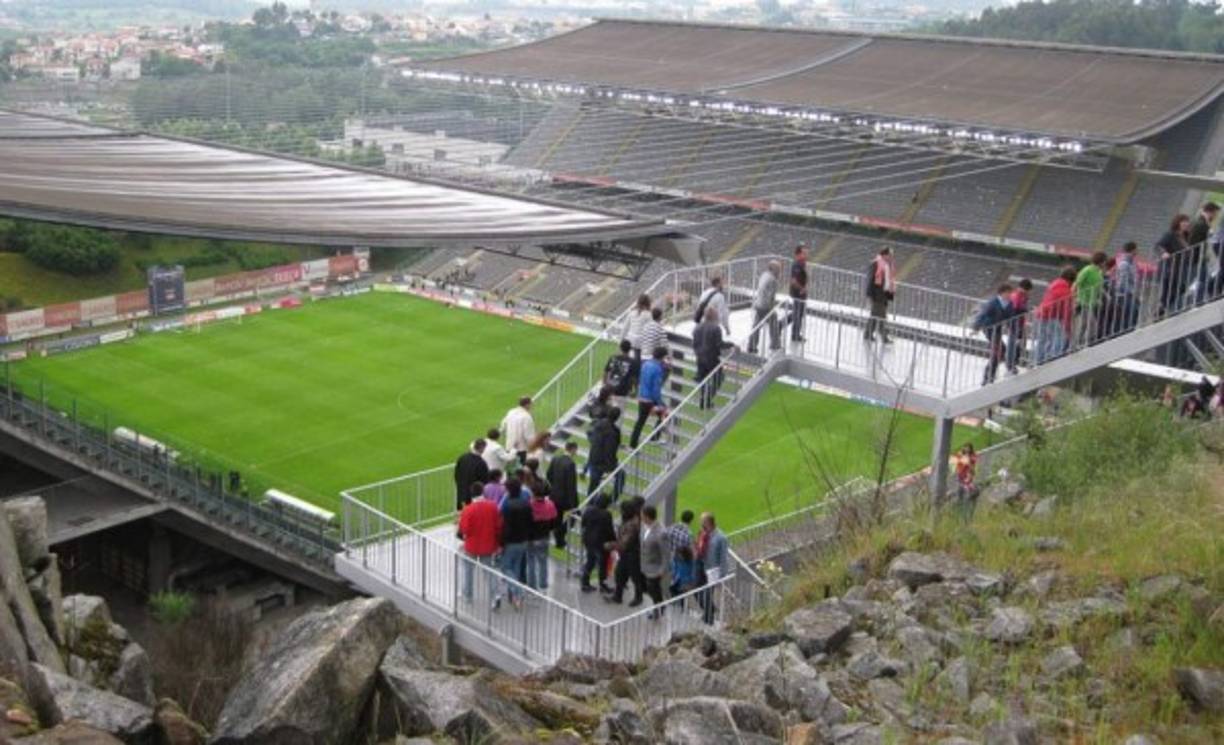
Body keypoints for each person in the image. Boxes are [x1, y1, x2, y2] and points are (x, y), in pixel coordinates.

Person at [458, 483, 502, 605]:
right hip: (488, 545)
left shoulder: (468, 509)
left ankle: (467, 595)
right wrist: (498, 544)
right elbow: (498, 526)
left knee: (468, 571)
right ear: (483, 492)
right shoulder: (493, 507)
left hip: (471, 546)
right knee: (489, 571)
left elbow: (464, 529)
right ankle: (495, 596)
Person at [497, 478, 533, 610]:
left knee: (505, 567)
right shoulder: (526, 504)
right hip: (523, 541)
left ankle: (517, 592)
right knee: (516, 567)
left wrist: (501, 543)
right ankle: (513, 596)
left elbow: (505, 527)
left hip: (511, 542)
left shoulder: (507, 506)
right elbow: (530, 522)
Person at [1033, 266, 1077, 364]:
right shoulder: (1066, 290)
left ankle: (1038, 361)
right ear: (1071, 280)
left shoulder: (1054, 283)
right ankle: (1053, 360)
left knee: (1043, 340)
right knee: (1060, 337)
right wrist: (1068, 328)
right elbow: (1066, 312)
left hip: (1041, 313)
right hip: (1051, 316)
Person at [973, 283, 1013, 385]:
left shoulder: (1008, 303)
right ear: (1002, 293)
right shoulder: (993, 302)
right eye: (1008, 293)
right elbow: (982, 314)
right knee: (999, 350)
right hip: (989, 328)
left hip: (997, 329)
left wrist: (1010, 327)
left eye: (1010, 293)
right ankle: (988, 377)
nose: (1010, 295)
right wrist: (976, 327)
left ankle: (990, 374)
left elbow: (1009, 316)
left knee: (1000, 350)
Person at [629, 346, 668, 449]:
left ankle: (633, 444)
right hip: (650, 399)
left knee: (640, 422)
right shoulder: (658, 369)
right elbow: (656, 389)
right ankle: (655, 437)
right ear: (662, 357)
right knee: (665, 413)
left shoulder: (645, 364)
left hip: (642, 396)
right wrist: (659, 403)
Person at [695, 512, 729, 625]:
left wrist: (722, 575)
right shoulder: (703, 533)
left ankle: (709, 618)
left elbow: (724, 557)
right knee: (696, 590)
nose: (700, 524)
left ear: (708, 522)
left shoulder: (721, 538)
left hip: (713, 570)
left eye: (702, 522)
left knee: (707, 594)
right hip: (701, 566)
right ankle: (710, 609)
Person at [608, 500, 644, 606]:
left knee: (635, 576)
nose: (620, 512)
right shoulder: (628, 521)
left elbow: (625, 542)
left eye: (622, 510)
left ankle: (638, 597)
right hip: (625, 554)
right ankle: (618, 596)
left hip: (632, 554)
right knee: (619, 573)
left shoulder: (632, 524)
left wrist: (610, 545)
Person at [579, 493, 615, 593]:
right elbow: (609, 530)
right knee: (602, 564)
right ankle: (603, 585)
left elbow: (583, 524)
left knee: (590, 561)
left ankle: (584, 582)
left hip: (588, 540)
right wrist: (613, 540)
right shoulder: (606, 514)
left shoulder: (588, 510)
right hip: (600, 542)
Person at [546, 440, 579, 549]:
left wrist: (555, 486)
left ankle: (559, 541)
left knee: (557, 518)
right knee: (576, 515)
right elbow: (571, 485)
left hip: (554, 495)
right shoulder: (570, 464)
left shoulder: (555, 459)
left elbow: (549, 474)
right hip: (565, 498)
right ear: (573, 449)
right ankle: (560, 533)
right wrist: (573, 504)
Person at [1156, 213, 1191, 315]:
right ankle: (1161, 313)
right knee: (1168, 292)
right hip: (1170, 268)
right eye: (1184, 222)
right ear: (1178, 223)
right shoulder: (1170, 234)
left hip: (1180, 269)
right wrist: (1163, 253)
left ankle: (1165, 311)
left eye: (1187, 222)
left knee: (1180, 289)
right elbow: (1158, 245)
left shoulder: (1185, 236)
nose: (1187, 224)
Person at [692, 305, 725, 410]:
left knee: (703, 379)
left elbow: (694, 344)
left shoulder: (697, 327)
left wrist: (698, 353)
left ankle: (703, 399)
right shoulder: (716, 328)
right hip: (712, 358)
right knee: (719, 378)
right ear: (714, 316)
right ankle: (707, 398)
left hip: (700, 358)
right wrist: (732, 345)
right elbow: (719, 344)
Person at [588, 406, 624, 499]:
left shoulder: (598, 423)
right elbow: (609, 450)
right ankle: (612, 499)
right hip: (603, 462)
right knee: (621, 475)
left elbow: (590, 434)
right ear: (617, 418)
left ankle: (591, 502)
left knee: (593, 484)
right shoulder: (613, 431)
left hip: (594, 457)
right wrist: (610, 466)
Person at [527, 486, 557, 591]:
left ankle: (532, 584)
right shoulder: (550, 505)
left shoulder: (529, 505)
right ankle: (543, 584)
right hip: (544, 537)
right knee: (543, 561)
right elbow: (554, 522)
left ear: (534, 494)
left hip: (531, 538)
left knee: (531, 561)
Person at [1073, 252, 1108, 345]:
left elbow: (1098, 287)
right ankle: (1087, 344)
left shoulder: (1098, 272)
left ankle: (1078, 343)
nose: (1105, 263)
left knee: (1084, 324)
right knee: (1092, 324)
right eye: (1105, 261)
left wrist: (1105, 296)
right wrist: (1075, 298)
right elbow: (1077, 283)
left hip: (1091, 302)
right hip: (1084, 301)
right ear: (1101, 262)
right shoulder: (1087, 270)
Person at [639, 505, 667, 619]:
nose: (641, 518)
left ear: (647, 517)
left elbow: (666, 553)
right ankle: (661, 606)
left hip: (655, 569)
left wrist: (662, 569)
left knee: (653, 589)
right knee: (652, 589)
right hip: (646, 566)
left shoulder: (661, 532)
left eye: (642, 516)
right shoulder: (645, 527)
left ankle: (657, 611)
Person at [748, 260, 781, 354]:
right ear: (773, 269)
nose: (779, 272)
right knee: (773, 323)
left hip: (758, 304)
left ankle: (752, 345)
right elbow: (771, 296)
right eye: (778, 269)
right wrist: (771, 307)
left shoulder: (764, 275)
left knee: (756, 325)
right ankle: (775, 344)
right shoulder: (773, 280)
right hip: (765, 306)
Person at [1188, 202, 1219, 302]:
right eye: (1215, 214)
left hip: (1199, 258)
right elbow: (1193, 242)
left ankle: (1199, 300)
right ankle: (1199, 301)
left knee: (1203, 279)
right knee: (1202, 280)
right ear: (1211, 212)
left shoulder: (1202, 222)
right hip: (1196, 258)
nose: (1215, 217)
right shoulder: (1201, 224)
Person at [865, 247, 896, 343]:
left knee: (875, 315)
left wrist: (889, 296)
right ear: (885, 255)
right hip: (877, 294)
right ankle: (884, 336)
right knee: (881, 316)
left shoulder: (887, 265)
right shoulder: (876, 263)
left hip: (884, 294)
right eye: (890, 255)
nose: (891, 257)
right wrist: (870, 295)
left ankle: (868, 334)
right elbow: (871, 280)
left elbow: (888, 281)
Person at [1111, 242, 1141, 334]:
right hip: (1125, 296)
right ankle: (1125, 334)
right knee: (1129, 317)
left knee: (1134, 314)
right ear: (1133, 250)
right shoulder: (1124, 264)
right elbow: (1122, 283)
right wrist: (1132, 292)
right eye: (1136, 249)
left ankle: (1129, 332)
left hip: (1131, 294)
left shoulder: (1132, 263)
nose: (1138, 251)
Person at [453, 438, 490, 512]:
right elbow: (485, 480)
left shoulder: (462, 457)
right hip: (473, 494)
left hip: (462, 491)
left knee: (463, 512)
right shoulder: (481, 463)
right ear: (481, 448)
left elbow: (456, 473)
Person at [1006, 279, 1033, 374]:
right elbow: (1016, 309)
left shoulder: (1022, 296)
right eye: (1029, 290)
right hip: (1015, 324)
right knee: (1013, 344)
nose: (1029, 292)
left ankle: (1013, 363)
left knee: (1020, 343)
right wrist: (1025, 310)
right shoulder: (1017, 296)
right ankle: (1010, 365)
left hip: (1019, 323)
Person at [501, 396, 536, 464]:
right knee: (520, 469)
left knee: (510, 468)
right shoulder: (527, 417)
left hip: (509, 447)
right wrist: (533, 447)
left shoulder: (511, 412)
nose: (531, 406)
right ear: (527, 405)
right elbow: (528, 436)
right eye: (530, 404)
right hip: (521, 449)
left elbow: (503, 425)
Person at [623, 294, 652, 365]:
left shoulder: (631, 313)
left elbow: (625, 328)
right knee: (638, 361)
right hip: (640, 342)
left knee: (627, 360)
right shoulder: (649, 315)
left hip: (630, 340)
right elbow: (650, 330)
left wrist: (621, 341)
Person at [952, 443, 979, 517]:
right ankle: (958, 505)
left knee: (967, 488)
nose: (966, 449)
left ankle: (966, 505)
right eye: (965, 447)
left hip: (968, 475)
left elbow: (973, 464)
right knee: (960, 489)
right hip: (961, 475)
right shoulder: (960, 454)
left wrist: (968, 461)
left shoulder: (972, 456)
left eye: (968, 448)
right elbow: (956, 459)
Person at [789, 244, 809, 342]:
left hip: (801, 294)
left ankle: (780, 325)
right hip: (798, 293)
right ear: (798, 254)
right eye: (804, 253)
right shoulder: (796, 265)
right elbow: (793, 281)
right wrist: (802, 289)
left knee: (797, 314)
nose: (806, 255)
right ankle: (795, 335)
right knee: (797, 315)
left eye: (807, 253)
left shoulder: (802, 264)